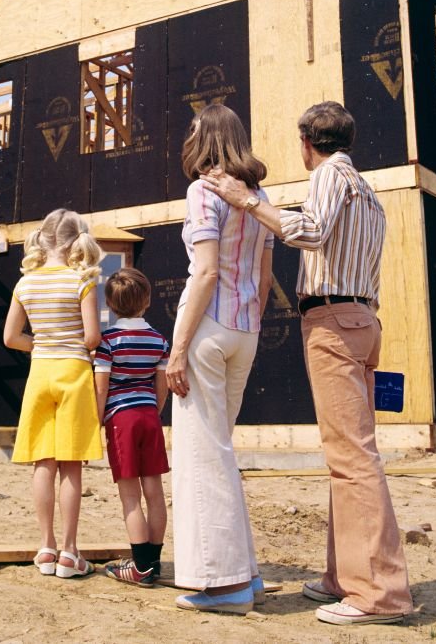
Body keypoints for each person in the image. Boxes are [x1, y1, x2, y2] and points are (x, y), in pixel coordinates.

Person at [201, 101, 413, 626]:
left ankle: (380, 595)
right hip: (363, 319)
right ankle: (345, 577)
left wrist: (245, 202)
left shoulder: (325, 176)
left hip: (335, 321)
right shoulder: (366, 191)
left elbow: (310, 231)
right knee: (347, 455)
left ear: (306, 142)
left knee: (353, 458)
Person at [165, 103, 275, 615]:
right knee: (220, 451)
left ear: (202, 137)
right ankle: (245, 575)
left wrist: (178, 349)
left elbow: (204, 273)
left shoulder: (202, 191)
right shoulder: (259, 196)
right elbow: (267, 276)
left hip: (208, 329)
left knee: (201, 457)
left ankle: (224, 585)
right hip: (245, 330)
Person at [3, 208, 103, 580]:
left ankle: (45, 547)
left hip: (40, 372)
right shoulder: (82, 281)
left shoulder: (25, 284)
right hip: (74, 372)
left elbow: (11, 337)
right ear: (78, 241)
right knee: (71, 464)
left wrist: (42, 343)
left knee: (42, 463)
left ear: (42, 240)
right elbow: (92, 338)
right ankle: (70, 551)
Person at [93, 268, 171, 587]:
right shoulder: (159, 340)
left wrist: (97, 421)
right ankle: (153, 561)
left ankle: (139, 568)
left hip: (120, 420)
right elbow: (161, 386)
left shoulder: (108, 341)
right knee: (154, 492)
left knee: (130, 497)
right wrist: (154, 411)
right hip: (150, 416)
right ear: (148, 300)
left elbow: (101, 387)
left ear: (110, 305)